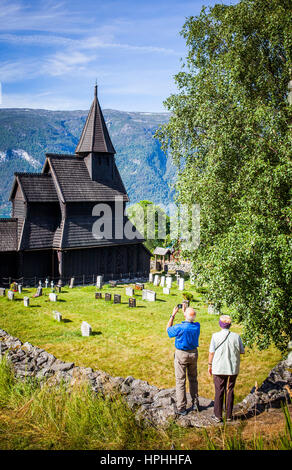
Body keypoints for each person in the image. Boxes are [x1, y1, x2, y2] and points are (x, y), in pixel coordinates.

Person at [208, 314, 245, 423]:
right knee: (230, 390)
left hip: (219, 367)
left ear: (220, 324)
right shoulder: (236, 336)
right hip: (232, 367)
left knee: (219, 390)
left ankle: (218, 416)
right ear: (229, 325)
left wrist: (209, 365)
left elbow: (211, 352)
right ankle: (229, 416)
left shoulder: (215, 336)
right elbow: (242, 351)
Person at [166, 304, 200, 416]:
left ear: (185, 315)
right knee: (193, 379)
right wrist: (186, 312)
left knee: (180, 381)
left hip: (182, 354)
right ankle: (195, 404)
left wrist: (173, 314)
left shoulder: (179, 327)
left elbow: (168, 330)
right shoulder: (197, 326)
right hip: (193, 354)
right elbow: (189, 321)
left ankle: (181, 407)